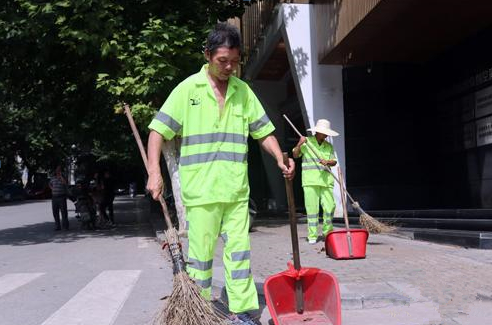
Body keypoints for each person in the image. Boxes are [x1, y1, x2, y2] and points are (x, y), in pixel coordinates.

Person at [146, 22, 295, 325]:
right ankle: (198, 312)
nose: (229, 67)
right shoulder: (188, 90)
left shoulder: (243, 92)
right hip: (200, 193)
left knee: (239, 256)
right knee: (200, 259)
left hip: (236, 191)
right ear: (208, 55)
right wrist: (154, 173)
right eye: (222, 61)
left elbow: (263, 132)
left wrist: (279, 156)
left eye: (234, 62)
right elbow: (157, 132)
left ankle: (242, 312)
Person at [292, 119, 339, 244]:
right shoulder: (306, 142)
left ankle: (327, 233)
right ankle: (312, 235)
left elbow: (334, 162)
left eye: (326, 133)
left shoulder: (328, 146)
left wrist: (327, 162)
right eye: (323, 133)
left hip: (326, 181)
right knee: (312, 210)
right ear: (317, 132)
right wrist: (299, 144)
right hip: (310, 181)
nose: (326, 135)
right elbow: (295, 155)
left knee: (330, 207)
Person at [49, 165, 69, 231]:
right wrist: (52, 189)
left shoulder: (64, 177)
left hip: (62, 197)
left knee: (64, 212)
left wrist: (61, 176)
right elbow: (50, 184)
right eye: (57, 169)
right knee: (55, 212)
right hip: (54, 197)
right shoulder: (53, 177)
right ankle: (57, 226)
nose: (58, 171)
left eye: (59, 169)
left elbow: (65, 183)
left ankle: (65, 226)